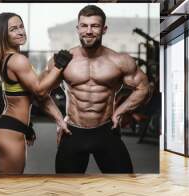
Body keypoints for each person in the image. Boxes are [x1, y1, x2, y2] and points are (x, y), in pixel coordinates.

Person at [43, 5, 151, 173]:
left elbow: (144, 88)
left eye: (95, 26)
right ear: (77, 29)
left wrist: (120, 112)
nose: (89, 31)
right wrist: (58, 119)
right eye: (84, 26)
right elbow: (39, 91)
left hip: (106, 131)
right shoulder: (63, 61)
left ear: (104, 29)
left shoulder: (119, 61)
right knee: (66, 192)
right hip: (73, 132)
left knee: (124, 187)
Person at [0, 12, 73, 174]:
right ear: (3, 35)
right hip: (10, 131)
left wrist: (58, 120)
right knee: (11, 189)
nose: (20, 31)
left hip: (3, 126)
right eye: (13, 29)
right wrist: (58, 67)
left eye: (21, 26)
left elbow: (36, 94)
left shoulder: (7, 58)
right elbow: (40, 91)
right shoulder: (18, 60)